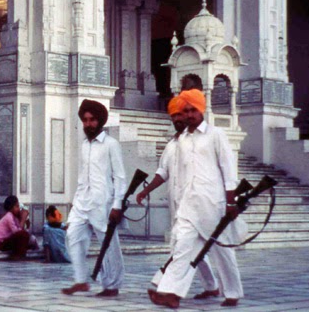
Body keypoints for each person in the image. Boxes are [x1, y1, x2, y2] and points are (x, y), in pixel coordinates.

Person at [146, 89, 246, 309]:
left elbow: (229, 171)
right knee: (181, 247)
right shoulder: (181, 140)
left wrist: (231, 202)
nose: (190, 114)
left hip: (213, 205)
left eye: (193, 110)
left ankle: (233, 292)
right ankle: (169, 293)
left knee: (223, 251)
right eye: (186, 110)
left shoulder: (215, 135)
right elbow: (174, 173)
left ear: (201, 109)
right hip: (188, 206)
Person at [136, 96, 219, 299]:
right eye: (173, 116)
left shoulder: (203, 141)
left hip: (198, 203)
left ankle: (165, 286)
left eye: (180, 114)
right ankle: (211, 287)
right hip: (177, 204)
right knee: (191, 247)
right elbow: (162, 172)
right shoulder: (172, 144)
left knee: (184, 246)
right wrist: (145, 191)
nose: (177, 119)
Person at [61, 99, 126, 297]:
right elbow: (83, 175)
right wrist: (76, 198)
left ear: (100, 121)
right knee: (72, 235)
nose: (88, 124)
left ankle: (112, 285)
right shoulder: (84, 145)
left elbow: (120, 176)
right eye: (85, 120)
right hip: (82, 201)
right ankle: (81, 280)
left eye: (92, 120)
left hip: (103, 202)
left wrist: (117, 205)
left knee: (108, 244)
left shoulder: (111, 144)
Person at [0, 195, 39, 260]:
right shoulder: (9, 217)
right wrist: (23, 219)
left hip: (6, 241)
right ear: (11, 208)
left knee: (27, 236)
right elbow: (17, 232)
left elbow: (22, 229)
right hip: (0, 243)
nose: (18, 209)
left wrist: (25, 220)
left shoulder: (14, 217)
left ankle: (22, 252)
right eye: (17, 206)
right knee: (22, 235)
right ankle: (17, 255)